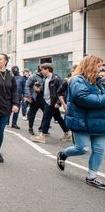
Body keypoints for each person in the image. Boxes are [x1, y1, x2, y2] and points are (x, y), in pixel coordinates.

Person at [56, 55, 105, 189]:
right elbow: (84, 98)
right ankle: (63, 154)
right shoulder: (77, 80)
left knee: (99, 149)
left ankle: (92, 176)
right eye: (99, 65)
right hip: (81, 121)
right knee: (82, 148)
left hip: (99, 121)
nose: (101, 68)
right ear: (91, 65)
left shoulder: (99, 81)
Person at [31, 63, 71, 143]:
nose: (41, 71)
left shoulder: (56, 79)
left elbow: (61, 92)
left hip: (52, 103)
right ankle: (68, 133)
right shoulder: (46, 79)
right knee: (58, 118)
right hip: (47, 101)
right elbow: (46, 90)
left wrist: (58, 103)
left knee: (46, 118)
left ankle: (43, 135)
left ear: (47, 69)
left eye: (42, 69)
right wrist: (39, 90)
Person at [24, 66, 45, 135]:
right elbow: (27, 86)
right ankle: (30, 128)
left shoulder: (46, 77)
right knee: (32, 114)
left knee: (46, 114)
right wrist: (29, 96)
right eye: (43, 70)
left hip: (44, 98)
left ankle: (41, 127)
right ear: (40, 70)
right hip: (35, 98)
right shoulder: (33, 77)